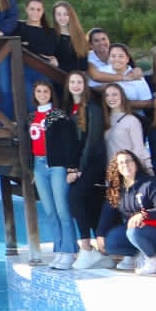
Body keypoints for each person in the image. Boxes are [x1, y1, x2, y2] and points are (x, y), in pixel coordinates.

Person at [27, 78, 81, 268]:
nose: (42, 95)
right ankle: (59, 249)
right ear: (34, 94)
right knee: (50, 211)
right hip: (39, 166)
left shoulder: (59, 115)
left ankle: (69, 251)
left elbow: (69, 143)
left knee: (62, 210)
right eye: (39, 91)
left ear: (51, 94)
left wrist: (71, 167)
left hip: (57, 166)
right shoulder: (31, 117)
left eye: (45, 91)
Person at [97, 148, 156, 274]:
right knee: (110, 243)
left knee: (134, 232)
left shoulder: (151, 182)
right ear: (117, 167)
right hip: (134, 230)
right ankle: (140, 252)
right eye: (121, 163)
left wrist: (143, 215)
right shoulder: (116, 188)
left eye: (129, 161)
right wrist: (100, 234)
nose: (125, 165)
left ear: (136, 163)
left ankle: (152, 260)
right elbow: (107, 213)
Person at [67, 71, 112, 269]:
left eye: (79, 82)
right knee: (88, 203)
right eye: (72, 82)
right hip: (79, 164)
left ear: (85, 85)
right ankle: (100, 252)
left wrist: (80, 169)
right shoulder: (70, 108)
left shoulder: (92, 108)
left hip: (93, 162)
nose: (76, 85)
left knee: (74, 197)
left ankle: (86, 247)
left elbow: (92, 142)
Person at [16, 0, 78, 79]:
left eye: (38, 9)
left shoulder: (50, 32)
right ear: (26, 9)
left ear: (43, 11)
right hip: (22, 70)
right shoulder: (18, 26)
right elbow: (14, 45)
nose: (35, 12)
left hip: (43, 71)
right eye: (32, 9)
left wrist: (27, 44)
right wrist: (36, 51)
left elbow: (48, 51)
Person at [101, 82, 151, 171]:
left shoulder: (132, 120)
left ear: (122, 97)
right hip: (111, 171)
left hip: (128, 169)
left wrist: (146, 168)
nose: (110, 98)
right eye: (107, 95)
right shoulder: (103, 119)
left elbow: (139, 149)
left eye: (114, 94)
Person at [50, 1, 90, 68]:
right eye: (58, 14)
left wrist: (59, 65)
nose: (62, 18)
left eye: (66, 14)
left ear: (71, 15)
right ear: (54, 16)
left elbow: (83, 65)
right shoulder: (50, 34)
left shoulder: (79, 36)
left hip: (72, 74)